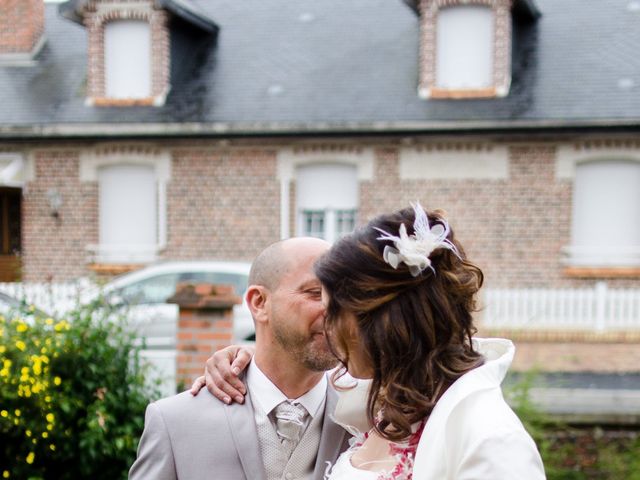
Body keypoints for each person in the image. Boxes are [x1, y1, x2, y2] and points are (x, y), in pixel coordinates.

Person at [195, 203, 546, 479]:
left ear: (375, 320)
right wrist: (241, 360)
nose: (328, 327)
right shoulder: (383, 406)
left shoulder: (489, 436)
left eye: (333, 310)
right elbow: (291, 371)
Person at [129, 237, 351, 480]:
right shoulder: (174, 422)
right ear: (259, 303)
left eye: (343, 296)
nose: (336, 309)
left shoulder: (374, 420)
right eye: (315, 293)